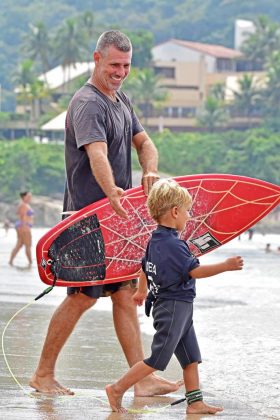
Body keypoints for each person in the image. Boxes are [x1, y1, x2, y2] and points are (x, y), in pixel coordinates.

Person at [29, 30, 181, 396]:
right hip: (86, 217)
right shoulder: (88, 103)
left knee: (125, 294)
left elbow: (144, 143)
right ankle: (43, 375)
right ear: (96, 59)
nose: (120, 71)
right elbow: (96, 153)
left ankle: (141, 378)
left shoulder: (120, 99)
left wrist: (149, 169)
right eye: (114, 64)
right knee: (81, 296)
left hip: (115, 218)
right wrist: (112, 188)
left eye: (126, 65)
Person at [106, 179, 244, 414]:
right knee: (158, 358)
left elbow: (143, 267)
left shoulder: (155, 241)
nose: (189, 217)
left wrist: (142, 290)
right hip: (173, 307)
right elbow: (195, 271)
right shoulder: (174, 245)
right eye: (187, 211)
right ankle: (117, 388)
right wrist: (225, 265)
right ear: (175, 212)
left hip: (178, 307)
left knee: (191, 357)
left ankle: (195, 402)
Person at [9, 191, 34, 267]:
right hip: (24, 227)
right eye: (28, 196)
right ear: (24, 197)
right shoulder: (23, 205)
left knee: (19, 244)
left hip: (23, 226)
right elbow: (21, 217)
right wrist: (24, 227)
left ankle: (10, 261)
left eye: (30, 196)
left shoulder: (24, 205)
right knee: (28, 245)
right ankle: (30, 263)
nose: (30, 198)